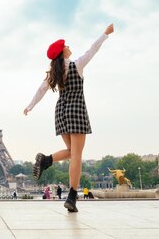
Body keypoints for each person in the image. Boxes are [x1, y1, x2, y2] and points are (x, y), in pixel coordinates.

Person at [24, 23, 114, 212]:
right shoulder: (77, 65)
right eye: (66, 45)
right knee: (77, 155)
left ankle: (46, 160)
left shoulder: (54, 73)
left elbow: (41, 90)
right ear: (63, 52)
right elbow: (93, 49)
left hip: (61, 112)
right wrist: (105, 34)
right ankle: (72, 197)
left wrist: (30, 106)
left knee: (72, 151)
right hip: (77, 110)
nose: (69, 46)